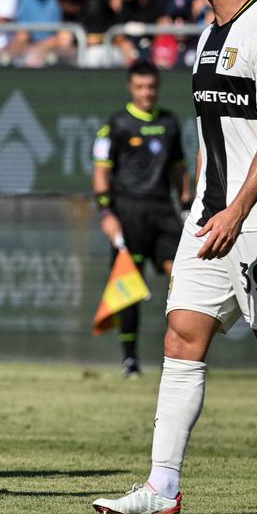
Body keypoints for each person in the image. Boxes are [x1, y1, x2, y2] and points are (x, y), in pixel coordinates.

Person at [93, 0, 257, 514]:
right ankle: (161, 488)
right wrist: (206, 204)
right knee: (181, 335)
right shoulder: (207, 33)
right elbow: (214, 136)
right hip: (212, 219)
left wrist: (238, 209)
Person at [92, 60, 189, 377]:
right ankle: (130, 360)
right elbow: (101, 173)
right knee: (130, 287)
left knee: (183, 280)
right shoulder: (116, 125)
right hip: (128, 213)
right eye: (140, 87)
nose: (147, 93)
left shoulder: (170, 123)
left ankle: (182, 355)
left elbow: (179, 168)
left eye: (151, 87)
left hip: (164, 213)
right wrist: (106, 213)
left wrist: (186, 203)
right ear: (130, 88)